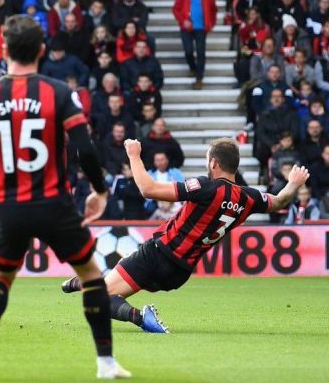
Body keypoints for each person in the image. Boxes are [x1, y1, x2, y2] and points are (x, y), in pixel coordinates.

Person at [0, 16, 130, 380]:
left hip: (6, 207)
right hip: (54, 204)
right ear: (42, 51)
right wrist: (98, 191)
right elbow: (85, 149)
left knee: (0, 276)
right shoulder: (60, 94)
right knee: (93, 277)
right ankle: (106, 363)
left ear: (3, 50)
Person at [62, 138, 310, 332]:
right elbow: (278, 202)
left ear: (214, 163)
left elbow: (148, 189)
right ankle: (81, 282)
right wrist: (293, 183)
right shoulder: (249, 198)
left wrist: (134, 155)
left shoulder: (205, 186)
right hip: (180, 273)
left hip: (160, 254)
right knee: (116, 275)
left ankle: (141, 318)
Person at [172, 0, 217, 90]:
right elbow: (176, 8)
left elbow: (213, 10)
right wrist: (183, 21)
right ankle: (192, 67)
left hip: (201, 28)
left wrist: (211, 24)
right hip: (187, 27)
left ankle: (199, 79)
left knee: (201, 53)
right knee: (188, 51)